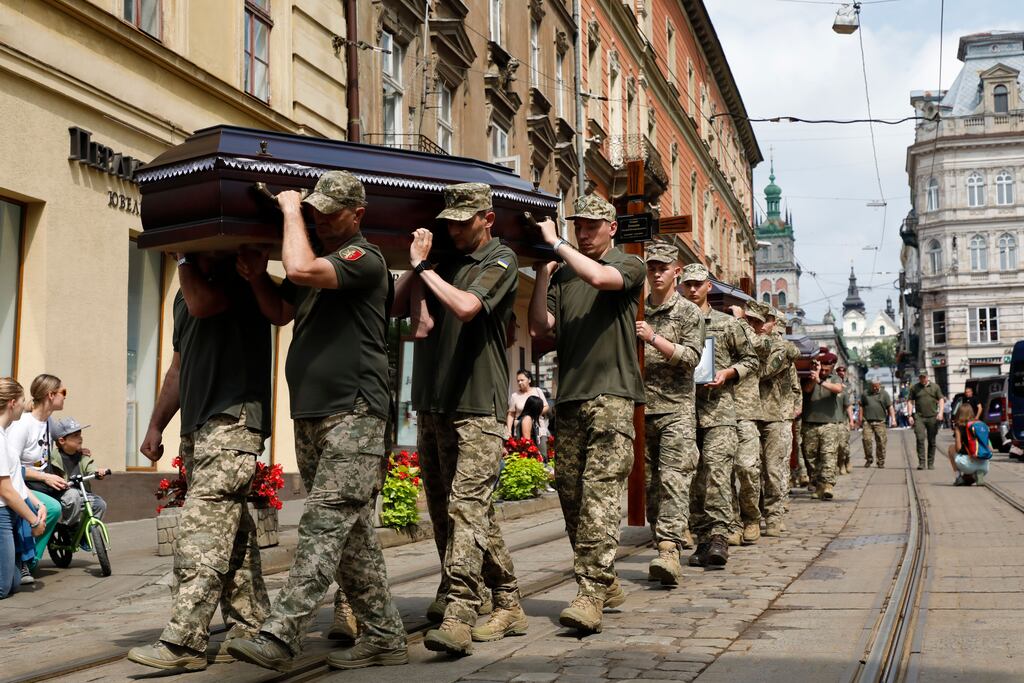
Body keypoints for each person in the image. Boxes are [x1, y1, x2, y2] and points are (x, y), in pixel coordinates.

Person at [227, 170, 407, 671]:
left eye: (331, 212)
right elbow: (282, 312)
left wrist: (288, 211)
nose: (322, 219)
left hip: (355, 411)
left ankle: (281, 633)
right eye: (315, 211)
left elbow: (302, 272)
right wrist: (259, 276)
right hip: (310, 414)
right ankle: (386, 637)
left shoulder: (363, 259)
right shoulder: (320, 261)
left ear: (358, 214)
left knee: (323, 525)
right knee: (351, 537)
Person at [127, 248, 273, 672]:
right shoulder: (183, 292)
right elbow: (178, 368)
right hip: (197, 426)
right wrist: (156, 425)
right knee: (234, 535)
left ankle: (184, 642)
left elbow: (203, 303)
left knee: (201, 529)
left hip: (233, 420)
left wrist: (183, 259)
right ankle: (250, 627)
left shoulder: (239, 276)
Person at [395, 182, 524, 655]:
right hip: (433, 400)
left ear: (487, 219)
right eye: (448, 221)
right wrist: (415, 266)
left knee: (467, 508)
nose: (453, 229)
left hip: (476, 404)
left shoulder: (500, 259)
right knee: (448, 513)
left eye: (462, 221)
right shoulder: (440, 260)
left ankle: (460, 611)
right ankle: (507, 599)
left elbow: (469, 308)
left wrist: (425, 269)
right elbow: (405, 315)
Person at [528, 193, 644, 634]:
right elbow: (541, 328)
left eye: (593, 224)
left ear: (611, 227)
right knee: (571, 498)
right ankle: (606, 579)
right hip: (571, 399)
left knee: (598, 497)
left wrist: (557, 245)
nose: (585, 230)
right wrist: (542, 273)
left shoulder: (626, 264)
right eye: (580, 224)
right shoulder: (564, 273)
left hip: (612, 396)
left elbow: (600, 279)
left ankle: (590, 592)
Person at [634, 241, 704, 585]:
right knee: (649, 485)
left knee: (674, 479)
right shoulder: (637, 309)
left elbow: (692, 357)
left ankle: (669, 551)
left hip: (676, 409)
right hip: (642, 409)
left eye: (663, 268)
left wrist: (654, 338)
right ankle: (660, 537)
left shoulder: (689, 312)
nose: (657, 273)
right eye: (652, 268)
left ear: (676, 271)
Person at [681, 264, 759, 569]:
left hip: (719, 411)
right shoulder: (677, 324)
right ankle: (701, 538)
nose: (692, 289)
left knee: (716, 472)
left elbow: (750, 360)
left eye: (698, 284)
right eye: (687, 284)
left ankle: (719, 538)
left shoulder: (728, 325)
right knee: (693, 478)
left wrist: (728, 373)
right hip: (685, 410)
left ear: (708, 287)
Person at [6, 374, 65, 583]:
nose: (65, 397)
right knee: (52, 508)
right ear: (50, 395)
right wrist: (45, 477)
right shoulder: (22, 425)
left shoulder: (49, 421)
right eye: (63, 393)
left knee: (78, 498)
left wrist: (78, 449)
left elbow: (65, 438)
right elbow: (12, 468)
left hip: (41, 481)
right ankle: (27, 561)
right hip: (24, 483)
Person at [752, 304, 800, 538]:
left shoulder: (781, 347)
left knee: (773, 469)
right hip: (749, 412)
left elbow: (762, 372)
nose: (759, 325)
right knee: (749, 469)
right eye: (754, 321)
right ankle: (751, 515)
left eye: (764, 321)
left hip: (775, 415)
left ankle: (773, 515)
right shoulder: (749, 340)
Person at [0, 378, 48, 598]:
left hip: (12, 514)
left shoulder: (5, 435)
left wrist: (37, 503)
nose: (25, 404)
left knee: (13, 584)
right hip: (3, 516)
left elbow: (15, 478)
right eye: (22, 400)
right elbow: (5, 489)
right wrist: (34, 520)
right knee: (3, 587)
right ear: (12, 403)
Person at [727, 302, 768, 547]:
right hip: (720, 411)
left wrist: (741, 320)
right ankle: (731, 522)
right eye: (748, 320)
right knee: (720, 473)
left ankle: (751, 517)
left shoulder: (764, 342)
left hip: (746, 413)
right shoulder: (728, 330)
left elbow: (754, 346)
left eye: (755, 321)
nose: (750, 324)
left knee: (746, 467)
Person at [49, 417, 108, 528]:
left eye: (80, 435)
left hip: (82, 495)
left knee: (100, 504)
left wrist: (98, 472)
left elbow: (90, 467)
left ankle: (85, 533)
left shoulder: (82, 456)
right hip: (61, 496)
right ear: (62, 441)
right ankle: (69, 527)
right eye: (75, 436)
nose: (80, 438)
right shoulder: (52, 457)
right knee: (73, 494)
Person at [801, 352, 844, 500]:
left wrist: (821, 380)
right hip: (810, 424)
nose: (825, 372)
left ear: (832, 368)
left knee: (828, 455)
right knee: (811, 457)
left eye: (827, 370)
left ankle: (828, 485)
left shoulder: (835, 378)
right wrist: (815, 376)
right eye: (822, 368)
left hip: (829, 424)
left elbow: (838, 389)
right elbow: (807, 390)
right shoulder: (810, 377)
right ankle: (818, 485)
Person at [908, 370, 945, 470]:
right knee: (920, 439)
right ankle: (922, 462)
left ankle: (930, 462)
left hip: (932, 417)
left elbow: (941, 399)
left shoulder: (935, 387)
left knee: (932, 441)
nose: (922, 379)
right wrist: (910, 415)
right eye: (920, 377)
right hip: (919, 417)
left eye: (924, 377)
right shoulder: (915, 388)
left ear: (927, 377)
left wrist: (940, 412)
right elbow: (910, 401)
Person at [947, 404, 990, 486]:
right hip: (984, 464)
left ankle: (958, 477)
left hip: (968, 464)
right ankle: (978, 473)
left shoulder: (958, 427)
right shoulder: (980, 425)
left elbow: (958, 448)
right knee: (967, 480)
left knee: (951, 448)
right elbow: (989, 447)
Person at [506, 370, 548, 443]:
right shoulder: (514, 396)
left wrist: (534, 415)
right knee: (525, 451)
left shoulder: (537, 391)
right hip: (520, 429)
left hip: (538, 427)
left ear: (529, 380)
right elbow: (511, 414)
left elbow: (546, 407)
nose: (519, 383)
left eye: (522, 380)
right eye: (518, 381)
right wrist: (509, 431)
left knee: (542, 453)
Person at [859, 380, 895, 468]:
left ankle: (881, 461)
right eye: (873, 386)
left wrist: (893, 419)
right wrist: (860, 418)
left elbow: (890, 407)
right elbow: (861, 405)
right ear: (870, 386)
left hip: (880, 421)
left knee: (881, 442)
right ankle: (869, 459)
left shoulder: (884, 394)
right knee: (866, 440)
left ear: (880, 385)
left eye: (876, 386)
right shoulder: (865, 393)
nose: (875, 388)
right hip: (867, 421)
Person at [834, 366, 854, 475]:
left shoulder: (849, 386)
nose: (841, 373)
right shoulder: (832, 382)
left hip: (844, 417)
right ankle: (838, 464)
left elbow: (850, 403)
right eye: (839, 371)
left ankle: (847, 461)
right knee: (835, 443)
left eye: (843, 371)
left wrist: (851, 419)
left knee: (844, 443)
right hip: (834, 416)